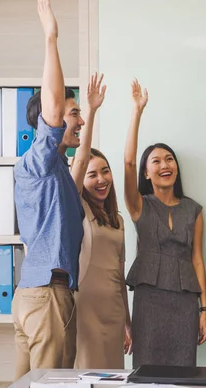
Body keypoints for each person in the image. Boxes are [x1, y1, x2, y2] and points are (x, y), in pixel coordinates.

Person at [11, 0, 85, 380]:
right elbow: (53, 107)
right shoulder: (39, 161)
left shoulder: (55, 172)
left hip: (34, 296)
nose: (80, 120)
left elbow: (83, 161)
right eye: (76, 114)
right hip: (46, 298)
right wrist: (51, 38)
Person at [123, 79, 206, 367]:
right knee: (146, 373)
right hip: (149, 302)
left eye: (169, 159)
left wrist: (205, 310)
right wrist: (137, 112)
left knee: (184, 373)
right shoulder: (139, 205)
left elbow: (197, 259)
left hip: (185, 303)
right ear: (146, 173)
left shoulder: (194, 209)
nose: (165, 165)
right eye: (156, 161)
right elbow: (127, 163)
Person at [69, 72, 133, 368]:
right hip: (85, 308)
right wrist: (91, 111)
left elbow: (119, 276)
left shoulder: (118, 220)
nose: (101, 179)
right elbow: (80, 159)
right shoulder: (78, 206)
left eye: (105, 171)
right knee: (87, 376)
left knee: (114, 376)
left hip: (114, 309)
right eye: (93, 175)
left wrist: (128, 322)